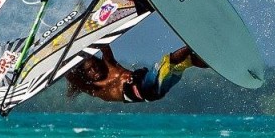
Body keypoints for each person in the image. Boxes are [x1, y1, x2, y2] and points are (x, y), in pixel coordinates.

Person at [65, 44, 208, 103]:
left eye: (94, 66)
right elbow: (68, 75)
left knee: (185, 62)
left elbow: (105, 47)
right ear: (84, 75)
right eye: (89, 70)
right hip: (145, 90)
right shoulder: (94, 88)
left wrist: (86, 40)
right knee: (170, 60)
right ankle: (194, 44)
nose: (94, 70)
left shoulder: (110, 65)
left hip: (150, 82)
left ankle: (214, 61)